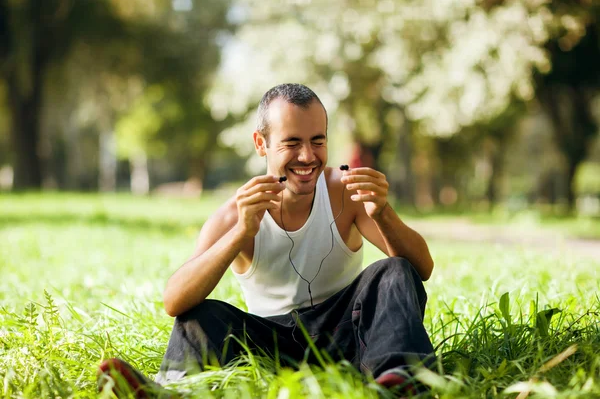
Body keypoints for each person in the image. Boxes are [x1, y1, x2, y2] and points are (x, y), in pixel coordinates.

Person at [98, 83, 435, 397]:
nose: (307, 156)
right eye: (291, 143)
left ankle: (401, 380)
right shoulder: (234, 214)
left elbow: (422, 268)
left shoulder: (347, 192)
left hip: (348, 332)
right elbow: (174, 301)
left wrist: (382, 212)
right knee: (198, 315)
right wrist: (241, 232)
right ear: (261, 144)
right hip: (270, 345)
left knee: (393, 271)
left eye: (318, 141)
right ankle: (169, 392)